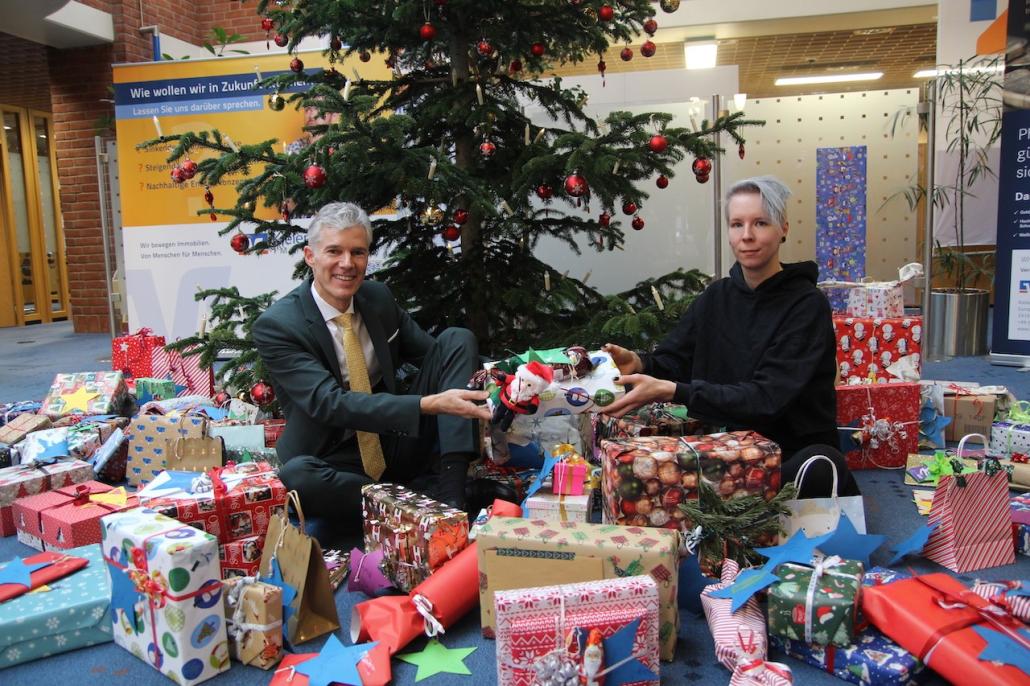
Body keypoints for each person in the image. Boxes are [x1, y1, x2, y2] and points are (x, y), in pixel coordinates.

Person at [601, 175, 858, 497]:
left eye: (760, 223)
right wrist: (639, 362)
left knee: (820, 464)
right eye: (737, 224)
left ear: (783, 229)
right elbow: (675, 360)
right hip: (725, 450)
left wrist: (673, 391)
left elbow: (765, 399)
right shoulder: (717, 297)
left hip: (788, 452)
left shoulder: (806, 306)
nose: (747, 236)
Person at [253, 202, 491, 529]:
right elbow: (330, 403)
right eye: (334, 251)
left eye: (358, 253)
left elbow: (436, 355)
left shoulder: (377, 298)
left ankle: (451, 495)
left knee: (457, 338)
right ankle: (413, 496)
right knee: (296, 478)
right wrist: (427, 404)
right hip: (333, 456)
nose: (347, 264)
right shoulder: (279, 325)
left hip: (394, 441)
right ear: (310, 256)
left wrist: (501, 379)